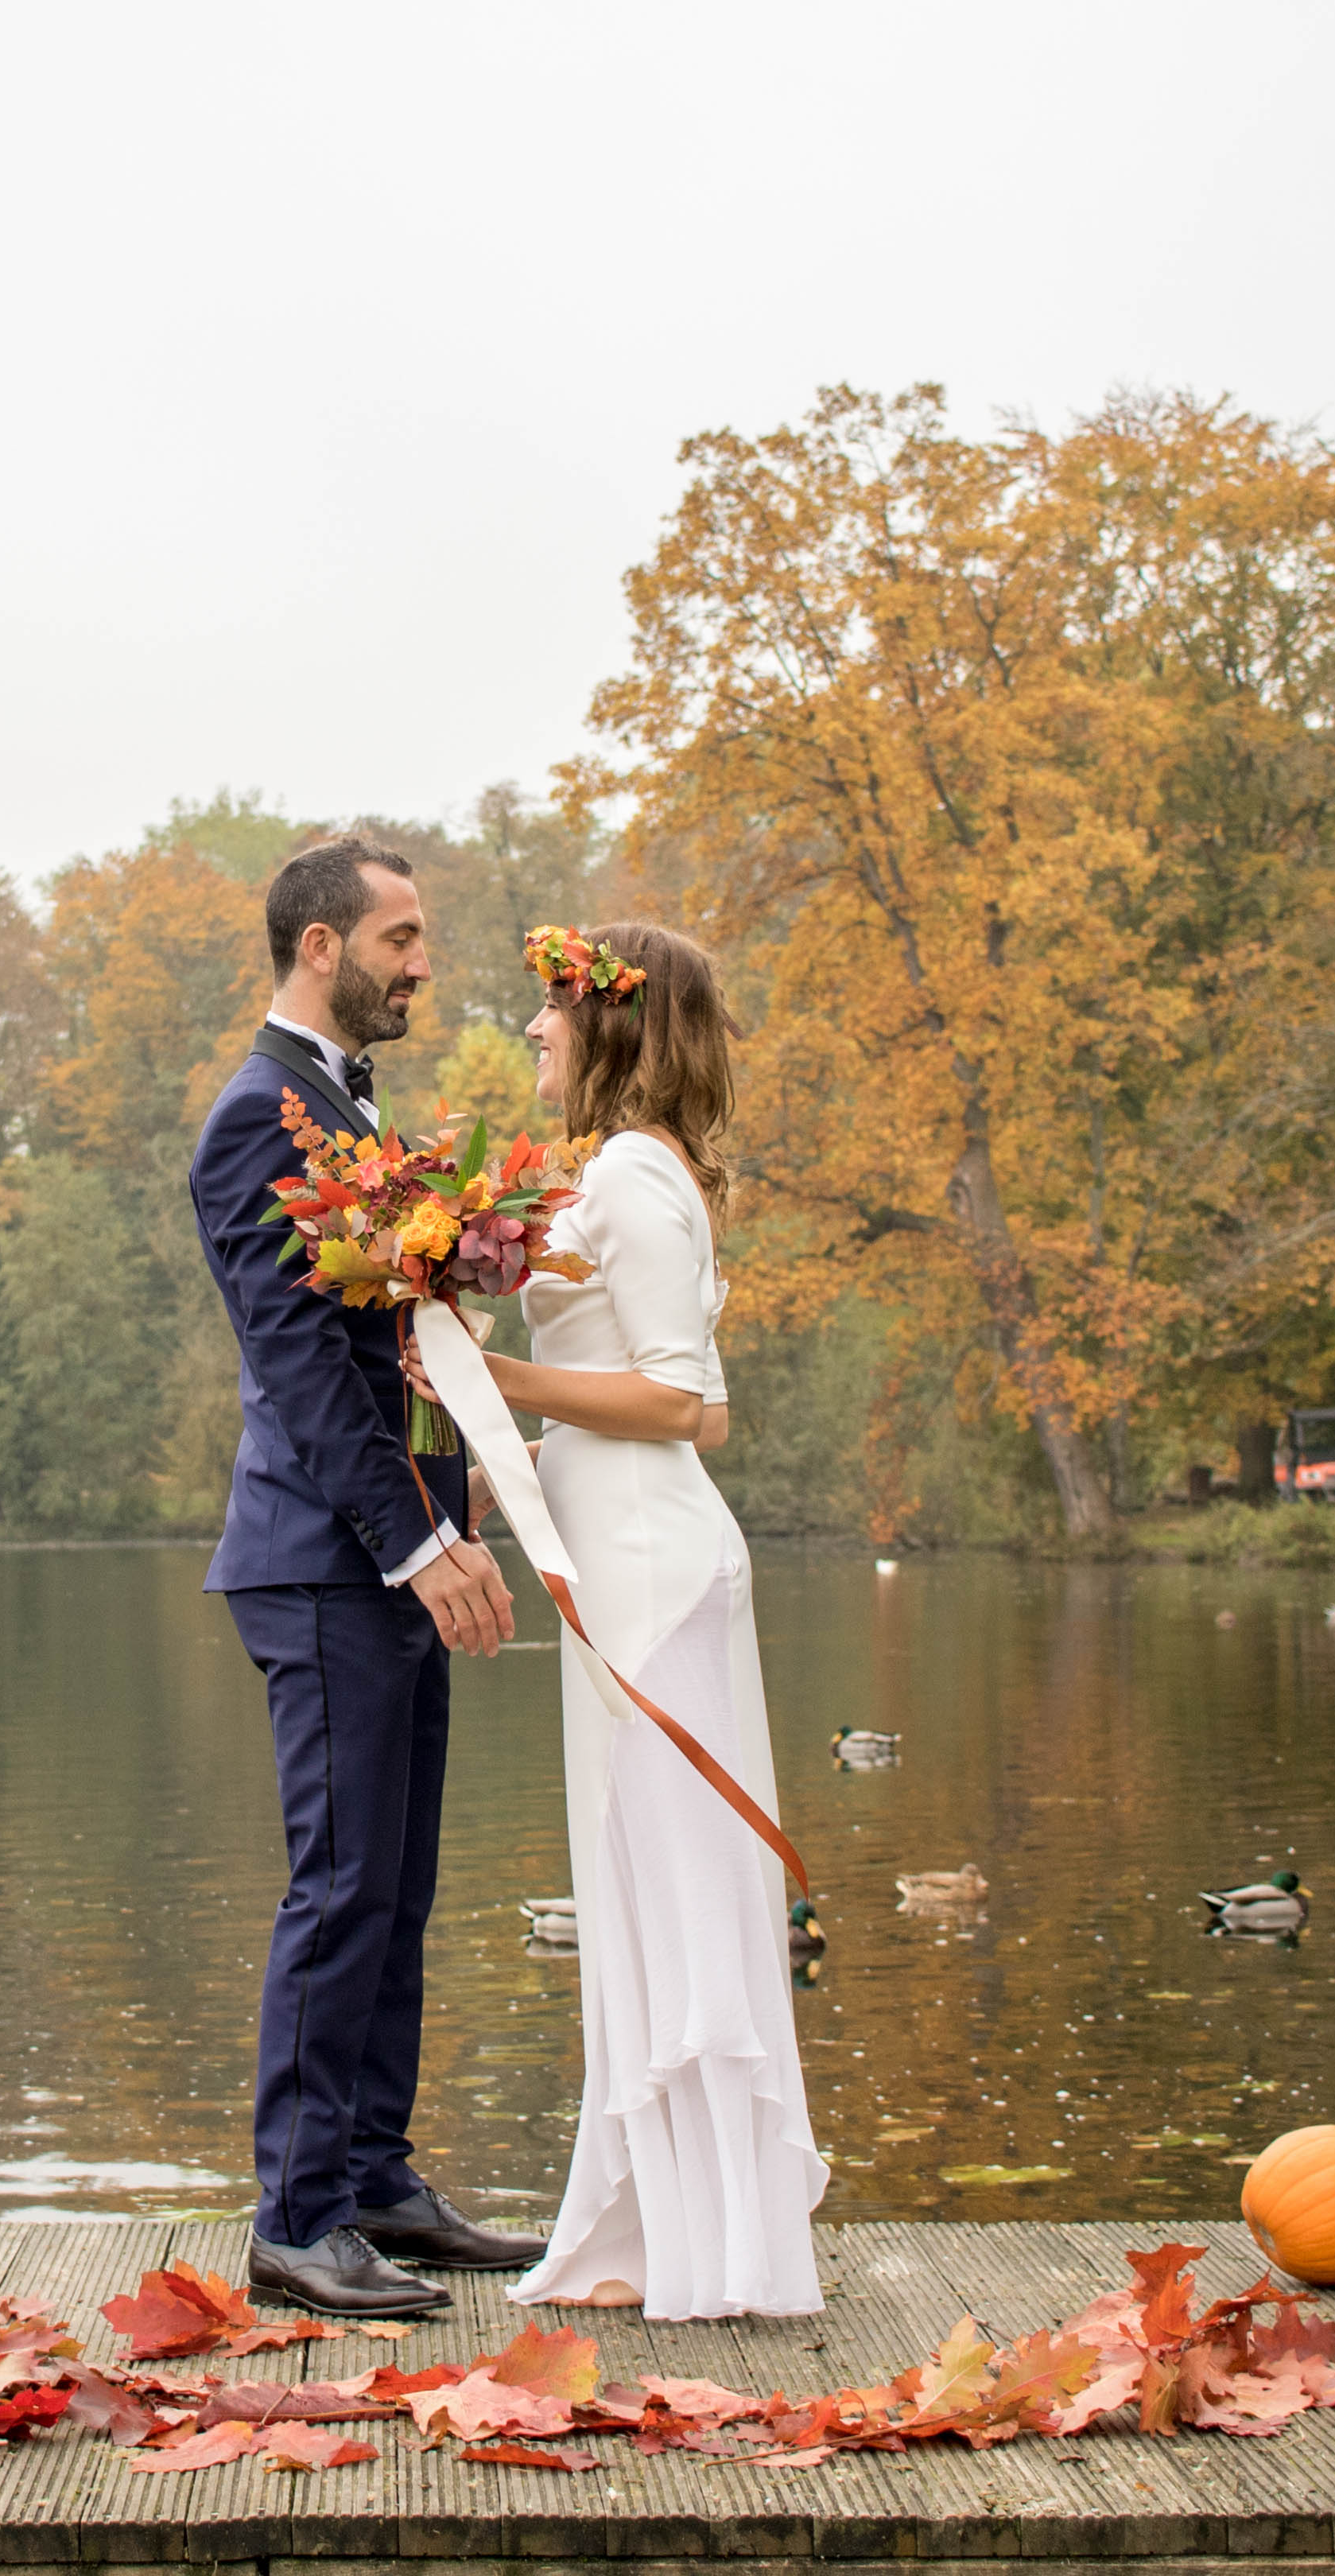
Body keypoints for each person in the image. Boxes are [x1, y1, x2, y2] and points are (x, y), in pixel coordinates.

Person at [435, 918, 824, 2319]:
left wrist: (501, 1383)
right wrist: (523, 1461)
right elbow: (681, 1403)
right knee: (637, 1898)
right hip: (622, 1559)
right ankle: (655, 2231)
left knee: (680, 1900)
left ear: (609, 1027)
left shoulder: (642, 1182)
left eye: (549, 1012)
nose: (532, 1032)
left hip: (658, 1583)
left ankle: (719, 2248)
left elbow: (680, 1410)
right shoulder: (612, 1176)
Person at [187, 835, 549, 2321]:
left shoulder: (343, 1106)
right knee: (339, 1888)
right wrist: (413, 1540)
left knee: (393, 1888)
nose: (422, 961)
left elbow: (393, 1347)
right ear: (322, 945)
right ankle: (296, 2215)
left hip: (395, 1558)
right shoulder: (257, 1119)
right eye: (402, 936)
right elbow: (298, 1366)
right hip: (330, 1561)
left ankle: (377, 2178)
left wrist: (449, 1527)